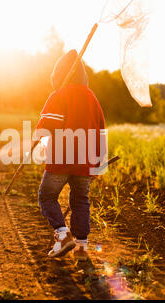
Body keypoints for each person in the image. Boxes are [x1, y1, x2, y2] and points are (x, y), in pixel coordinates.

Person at [35, 49, 106, 261]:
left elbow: (45, 126)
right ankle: (82, 248)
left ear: (59, 74)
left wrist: (36, 140)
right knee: (80, 201)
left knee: (47, 196)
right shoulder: (92, 98)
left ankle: (63, 235)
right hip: (84, 161)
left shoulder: (59, 95)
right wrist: (97, 165)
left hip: (61, 159)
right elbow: (100, 130)